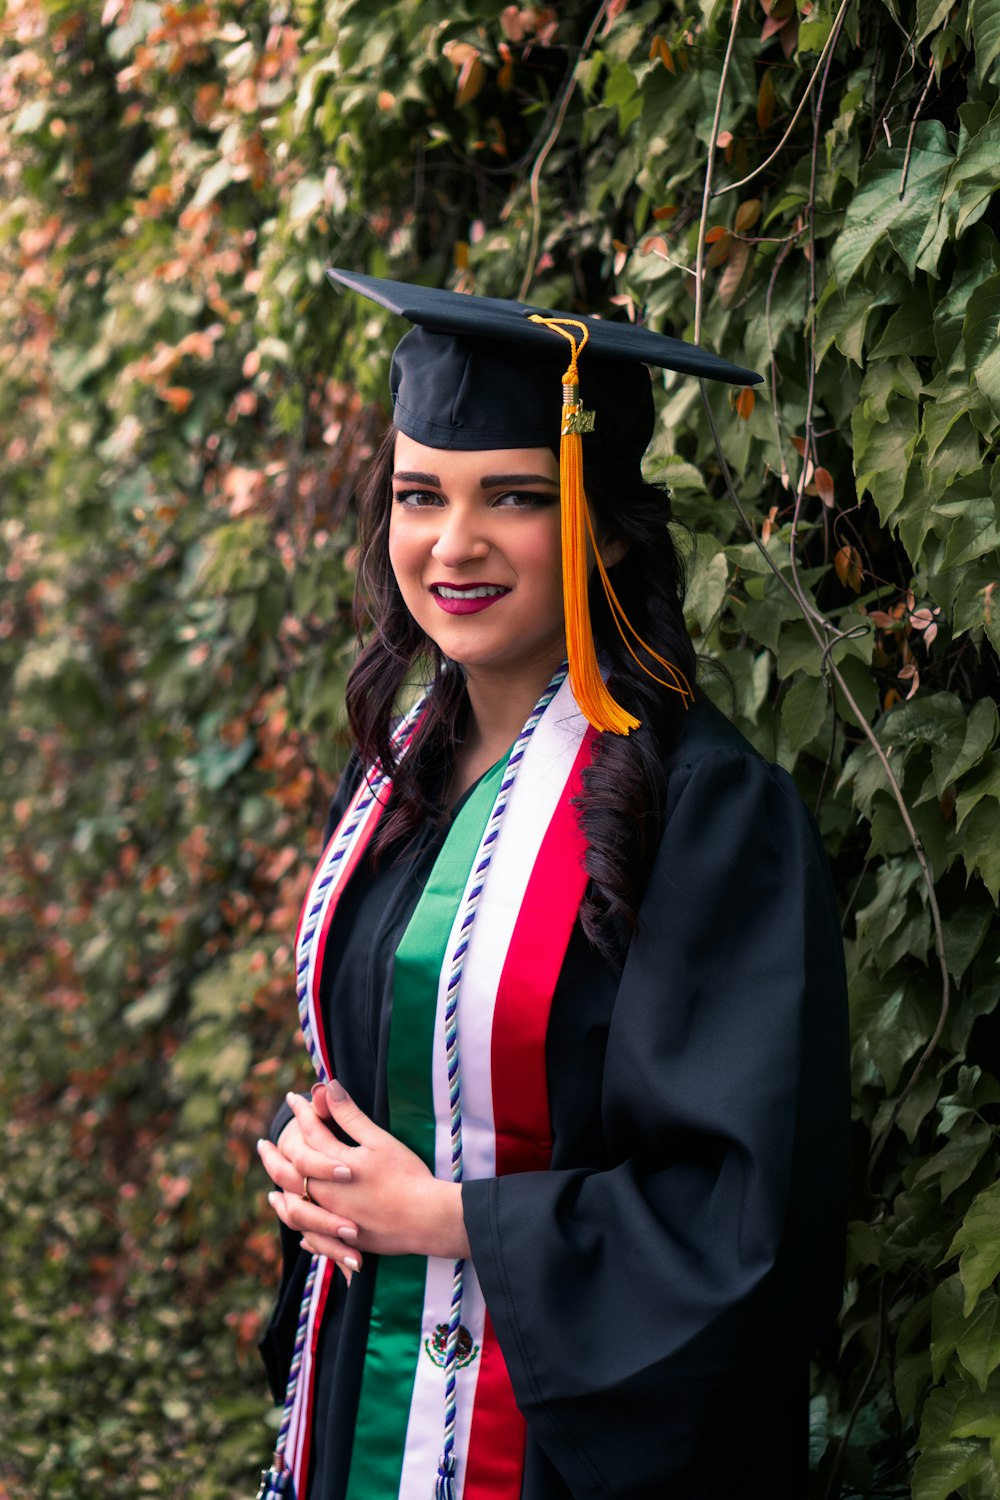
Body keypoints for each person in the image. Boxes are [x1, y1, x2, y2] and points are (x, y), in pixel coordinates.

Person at [254, 270, 849, 1500]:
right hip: (367, 1406)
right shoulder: (397, 778)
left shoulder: (703, 811)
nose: (452, 545)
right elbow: (392, 1065)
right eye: (419, 496)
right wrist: (311, 1155)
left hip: (556, 1454)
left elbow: (743, 1219)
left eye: (513, 498)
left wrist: (451, 1220)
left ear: (609, 526)